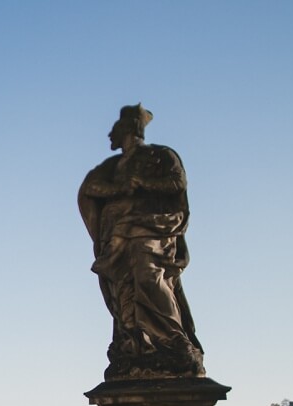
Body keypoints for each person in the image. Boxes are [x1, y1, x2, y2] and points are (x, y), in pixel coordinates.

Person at [78, 103, 203, 379]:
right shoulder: (111, 168)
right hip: (117, 235)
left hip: (150, 229)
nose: (111, 133)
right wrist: (119, 188)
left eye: (117, 128)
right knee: (125, 290)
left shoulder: (160, 155)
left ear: (129, 129)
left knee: (148, 277)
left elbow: (177, 184)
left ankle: (173, 341)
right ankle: (135, 345)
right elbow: (88, 189)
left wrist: (141, 183)